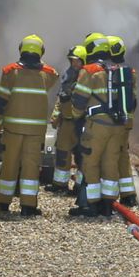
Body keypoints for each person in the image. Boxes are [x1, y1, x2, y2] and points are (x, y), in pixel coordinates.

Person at [0, 34, 58, 217]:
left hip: (13, 129)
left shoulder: (9, 72)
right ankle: (28, 206)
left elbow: (0, 102)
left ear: (21, 50)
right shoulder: (48, 75)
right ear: (41, 52)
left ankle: (3, 203)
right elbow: (53, 73)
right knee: (31, 166)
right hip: (36, 131)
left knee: (9, 165)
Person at [67, 32, 116, 218]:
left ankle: (90, 206)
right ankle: (108, 206)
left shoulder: (89, 71)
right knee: (109, 164)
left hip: (95, 126)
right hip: (116, 126)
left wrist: (76, 117)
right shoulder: (116, 69)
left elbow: (79, 100)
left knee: (90, 163)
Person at [104, 35, 138, 207]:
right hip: (127, 120)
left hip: (112, 121)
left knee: (109, 155)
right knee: (123, 155)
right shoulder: (129, 71)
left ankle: (108, 197)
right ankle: (128, 194)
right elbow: (134, 98)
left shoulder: (107, 71)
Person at [50, 44, 87, 193]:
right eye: (72, 60)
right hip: (66, 121)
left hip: (82, 121)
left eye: (77, 60)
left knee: (82, 155)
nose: (74, 64)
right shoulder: (67, 76)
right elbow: (61, 97)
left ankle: (80, 186)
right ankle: (60, 184)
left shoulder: (88, 77)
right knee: (62, 153)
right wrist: (55, 115)